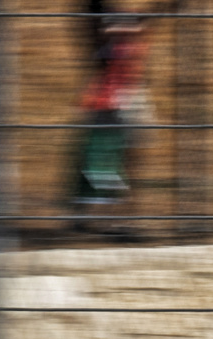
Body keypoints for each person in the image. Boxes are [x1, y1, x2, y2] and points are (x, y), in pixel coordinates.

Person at [71, 10, 152, 210]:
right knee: (104, 161)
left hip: (124, 105)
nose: (120, 35)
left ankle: (124, 211)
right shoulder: (108, 50)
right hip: (110, 107)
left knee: (123, 160)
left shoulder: (130, 49)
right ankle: (110, 209)